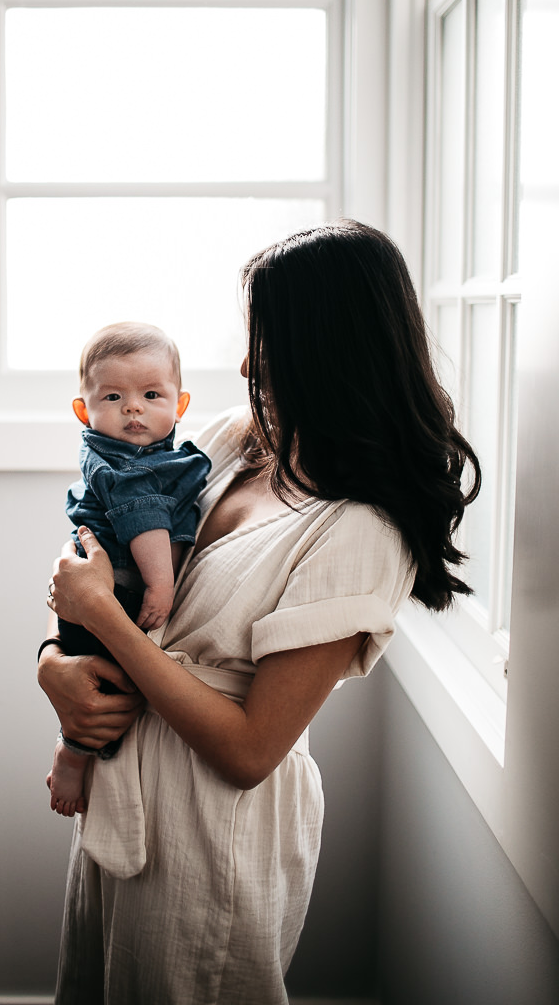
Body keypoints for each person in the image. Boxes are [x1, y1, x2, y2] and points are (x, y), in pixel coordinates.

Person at [38, 220, 480, 1005]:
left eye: (266, 340)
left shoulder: (359, 532)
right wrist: (56, 663)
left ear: (327, 346)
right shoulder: (236, 441)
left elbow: (248, 752)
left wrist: (102, 625)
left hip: (216, 835)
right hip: (122, 794)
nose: (246, 364)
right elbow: (100, 561)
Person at [46, 322, 211, 817]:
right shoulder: (124, 464)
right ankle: (72, 752)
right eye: (114, 396)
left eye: (151, 394)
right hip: (116, 590)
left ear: (180, 405)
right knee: (109, 690)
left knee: (115, 688)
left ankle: (79, 748)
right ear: (84, 410)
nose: (133, 407)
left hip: (101, 591)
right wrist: (162, 584)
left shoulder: (157, 453)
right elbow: (144, 520)